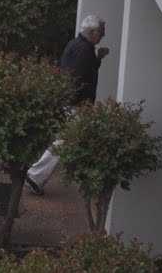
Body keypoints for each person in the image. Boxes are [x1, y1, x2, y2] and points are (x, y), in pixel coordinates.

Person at [26, 15, 110, 195]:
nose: (103, 35)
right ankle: (35, 176)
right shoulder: (83, 50)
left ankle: (39, 176)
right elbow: (77, 78)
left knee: (68, 141)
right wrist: (79, 104)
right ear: (91, 32)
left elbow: (80, 72)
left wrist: (98, 59)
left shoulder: (77, 45)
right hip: (75, 105)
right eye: (101, 31)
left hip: (72, 103)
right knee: (64, 141)